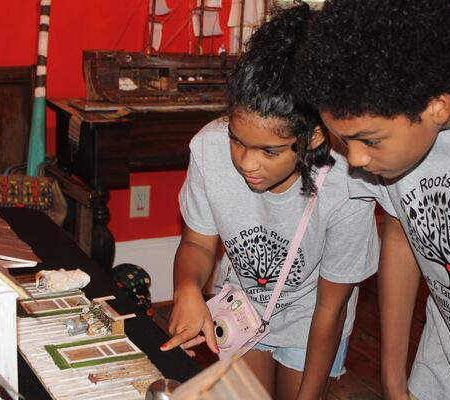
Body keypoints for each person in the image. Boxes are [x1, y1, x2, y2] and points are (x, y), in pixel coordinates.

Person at [294, 0, 450, 399]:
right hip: (444, 375)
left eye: (369, 140)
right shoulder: (393, 100)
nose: (356, 159)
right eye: (343, 140)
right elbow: (402, 231)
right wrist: (394, 379)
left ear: (437, 107)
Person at [160, 4, 379, 399]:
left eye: (270, 151)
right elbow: (196, 243)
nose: (247, 162)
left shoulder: (348, 182)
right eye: (237, 141)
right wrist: (187, 289)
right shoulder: (209, 148)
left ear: (312, 136)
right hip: (242, 309)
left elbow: (331, 309)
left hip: (312, 324)